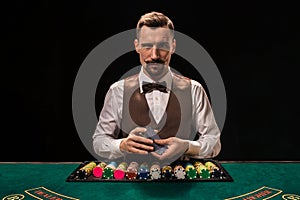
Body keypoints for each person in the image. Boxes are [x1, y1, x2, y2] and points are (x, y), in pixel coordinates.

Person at [93, 11, 221, 162]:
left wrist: (186, 146)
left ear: (173, 46)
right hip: (132, 180)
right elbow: (99, 141)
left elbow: (214, 143)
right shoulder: (117, 90)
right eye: (147, 46)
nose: (154, 55)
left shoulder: (194, 89)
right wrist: (122, 145)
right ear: (137, 46)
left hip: (181, 180)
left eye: (162, 46)